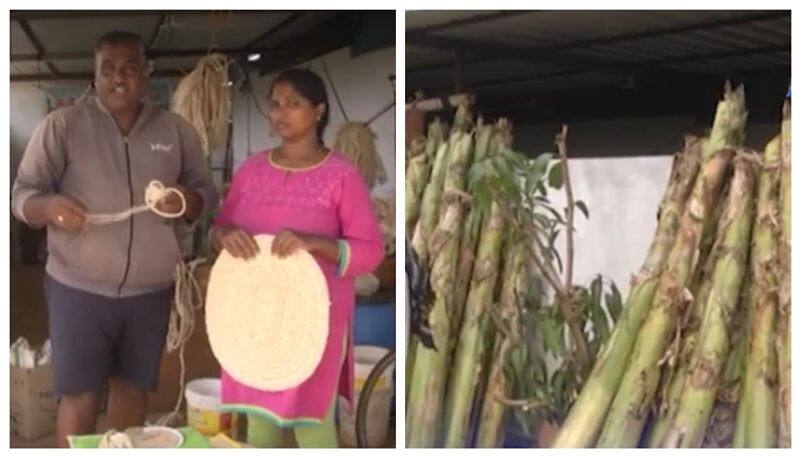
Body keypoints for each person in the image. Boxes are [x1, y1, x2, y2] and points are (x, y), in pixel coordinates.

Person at [10, 31, 218, 447]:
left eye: (130, 68)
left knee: (132, 388)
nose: (118, 79)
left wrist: (185, 201)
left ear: (147, 73)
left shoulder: (176, 130)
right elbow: (22, 194)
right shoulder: (62, 126)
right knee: (80, 393)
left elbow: (206, 194)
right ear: (95, 75)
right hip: (77, 289)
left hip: (150, 292)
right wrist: (50, 208)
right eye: (108, 69)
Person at [210, 68, 385, 448]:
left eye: (293, 104)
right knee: (259, 427)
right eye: (274, 104)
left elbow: (371, 252)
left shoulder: (341, 175)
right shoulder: (252, 170)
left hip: (313, 322)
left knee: (314, 427)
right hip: (252, 317)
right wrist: (222, 235)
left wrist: (317, 243)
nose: (280, 113)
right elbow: (219, 228)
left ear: (319, 111)